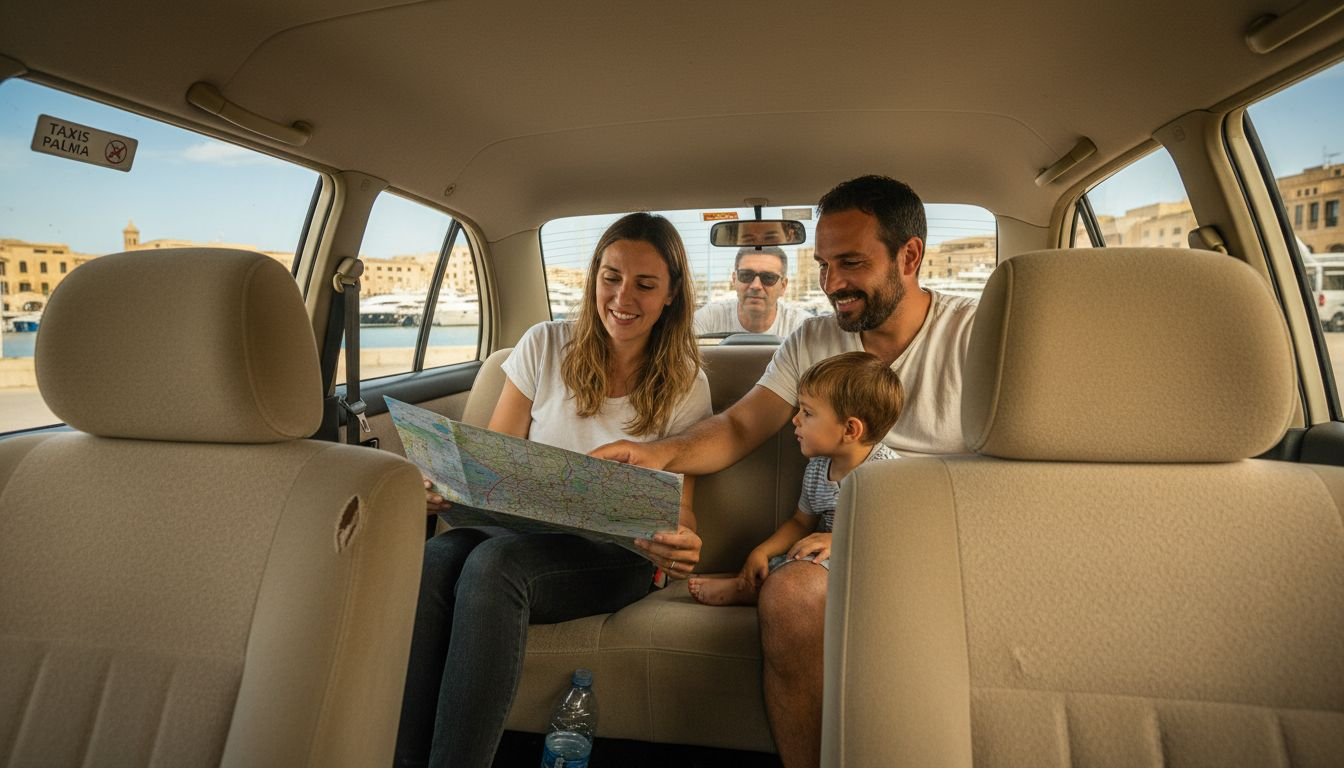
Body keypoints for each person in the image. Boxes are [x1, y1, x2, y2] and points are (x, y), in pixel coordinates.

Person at [592, 175, 977, 768]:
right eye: (822, 265)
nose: (832, 285)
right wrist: (658, 454)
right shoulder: (813, 338)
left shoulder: (974, 337)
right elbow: (743, 426)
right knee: (794, 592)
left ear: (910, 256)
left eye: (850, 263)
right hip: (823, 562)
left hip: (941, 557)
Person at [395, 212, 713, 768]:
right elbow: (491, 465)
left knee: (496, 565)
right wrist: (442, 483)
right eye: (611, 277)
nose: (622, 297)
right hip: (517, 531)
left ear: (671, 295)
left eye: (645, 284)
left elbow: (681, 508)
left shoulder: (686, 381)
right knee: (439, 555)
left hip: (617, 555)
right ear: (593, 278)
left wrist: (681, 540)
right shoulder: (544, 345)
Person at [688, 351, 902, 606]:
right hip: (821, 563)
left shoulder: (889, 473)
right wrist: (762, 551)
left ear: (850, 429)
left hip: (872, 564)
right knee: (787, 560)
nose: (795, 419)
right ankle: (752, 583)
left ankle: (749, 590)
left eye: (808, 413)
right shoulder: (817, 470)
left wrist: (840, 540)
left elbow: (900, 533)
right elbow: (801, 522)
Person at [693, 245, 809, 336]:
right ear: (734, 280)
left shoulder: (802, 327)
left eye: (768, 277)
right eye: (746, 275)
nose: (756, 285)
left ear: (783, 286)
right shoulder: (708, 320)